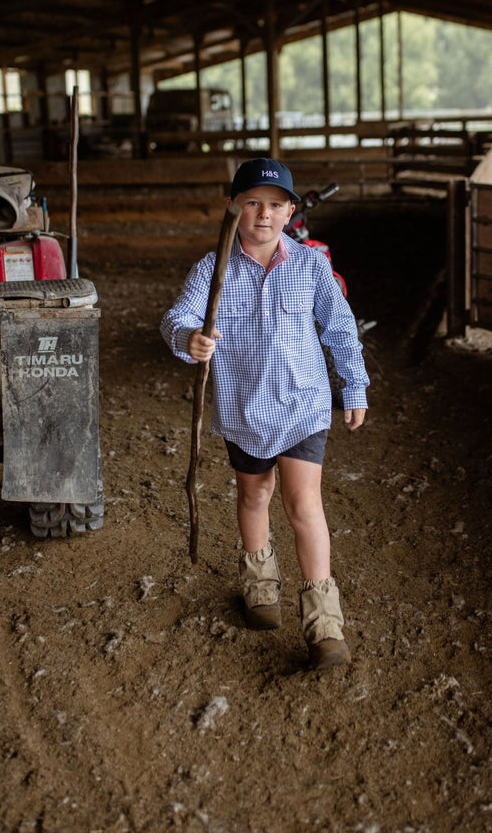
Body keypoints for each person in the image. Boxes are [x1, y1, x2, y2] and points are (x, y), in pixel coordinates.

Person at [160, 157, 369, 671]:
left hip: (303, 404)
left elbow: (340, 329)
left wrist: (355, 386)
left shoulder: (312, 265)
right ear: (233, 207)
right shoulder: (214, 268)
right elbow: (177, 316)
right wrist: (190, 339)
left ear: (290, 212)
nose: (264, 214)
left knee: (304, 505)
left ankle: (324, 624)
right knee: (254, 493)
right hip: (243, 405)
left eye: (276, 205)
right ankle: (259, 585)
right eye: (252, 202)